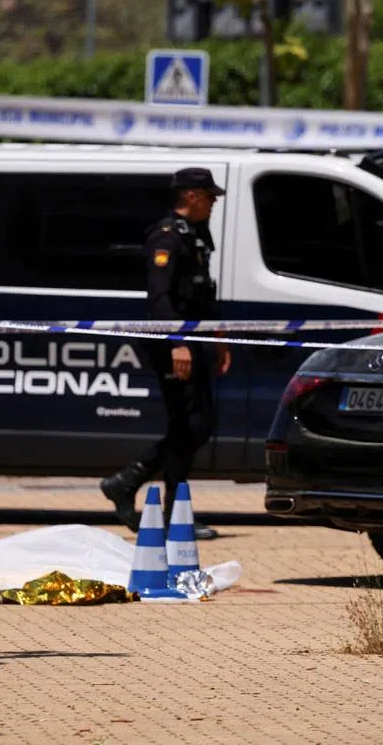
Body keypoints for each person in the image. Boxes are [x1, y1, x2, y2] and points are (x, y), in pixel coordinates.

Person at [100, 168, 231, 540]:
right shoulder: (167, 237)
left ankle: (130, 484)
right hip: (171, 345)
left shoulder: (195, 237)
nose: (213, 203)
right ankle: (164, 507)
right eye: (210, 196)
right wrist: (177, 343)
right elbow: (159, 300)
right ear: (192, 196)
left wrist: (218, 337)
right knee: (188, 425)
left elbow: (202, 295)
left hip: (192, 342)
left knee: (197, 425)